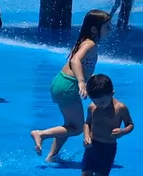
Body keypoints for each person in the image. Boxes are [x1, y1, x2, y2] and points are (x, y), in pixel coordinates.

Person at [31, 10, 111, 162]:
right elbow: (75, 61)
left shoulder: (85, 41)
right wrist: (81, 82)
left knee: (69, 125)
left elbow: (84, 65)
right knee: (77, 128)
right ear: (95, 29)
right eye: (107, 27)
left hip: (61, 82)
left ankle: (51, 157)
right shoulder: (90, 43)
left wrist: (88, 79)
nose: (110, 30)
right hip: (68, 85)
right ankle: (41, 134)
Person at [69, 74, 134, 176]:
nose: (99, 104)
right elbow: (87, 123)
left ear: (112, 94)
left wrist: (123, 132)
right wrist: (86, 136)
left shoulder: (121, 108)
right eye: (95, 101)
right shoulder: (92, 107)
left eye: (103, 101)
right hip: (92, 146)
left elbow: (130, 124)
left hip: (108, 148)